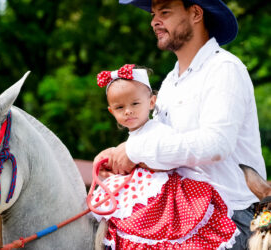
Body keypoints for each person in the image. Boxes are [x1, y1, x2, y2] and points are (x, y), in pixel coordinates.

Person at [93, 0, 267, 249]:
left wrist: (134, 151)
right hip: (181, 212)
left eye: (165, 12)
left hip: (231, 217)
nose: (154, 21)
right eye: (154, 14)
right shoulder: (169, 82)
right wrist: (120, 160)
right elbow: (161, 147)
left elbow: (216, 144)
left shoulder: (224, 69)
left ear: (195, 13)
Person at [90, 63, 238, 249]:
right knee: (123, 217)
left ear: (151, 102)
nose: (128, 111)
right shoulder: (128, 141)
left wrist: (139, 161)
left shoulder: (158, 130)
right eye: (120, 107)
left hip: (162, 195)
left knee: (156, 228)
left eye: (135, 103)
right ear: (112, 112)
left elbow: (168, 160)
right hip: (140, 192)